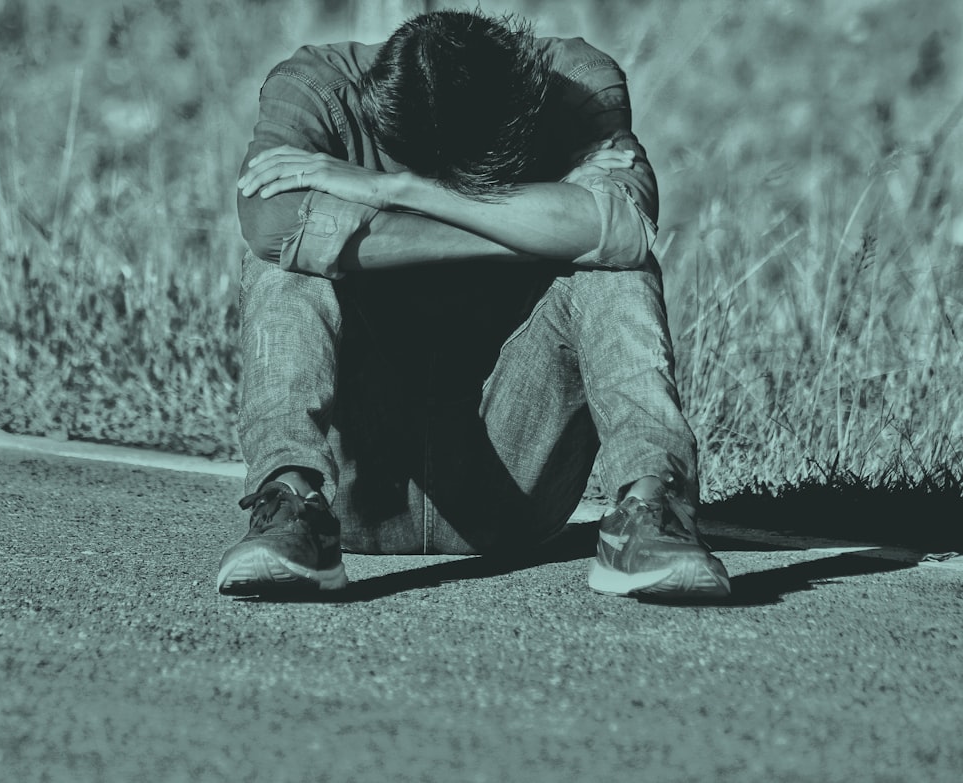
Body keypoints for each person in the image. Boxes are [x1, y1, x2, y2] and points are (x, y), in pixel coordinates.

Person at [217, 8, 730, 600]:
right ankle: (292, 506)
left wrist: (398, 190)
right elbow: (272, 228)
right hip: (364, 489)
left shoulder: (580, 82)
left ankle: (650, 512)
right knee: (284, 266)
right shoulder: (311, 88)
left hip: (516, 474)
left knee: (617, 268)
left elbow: (627, 230)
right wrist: (545, 225)